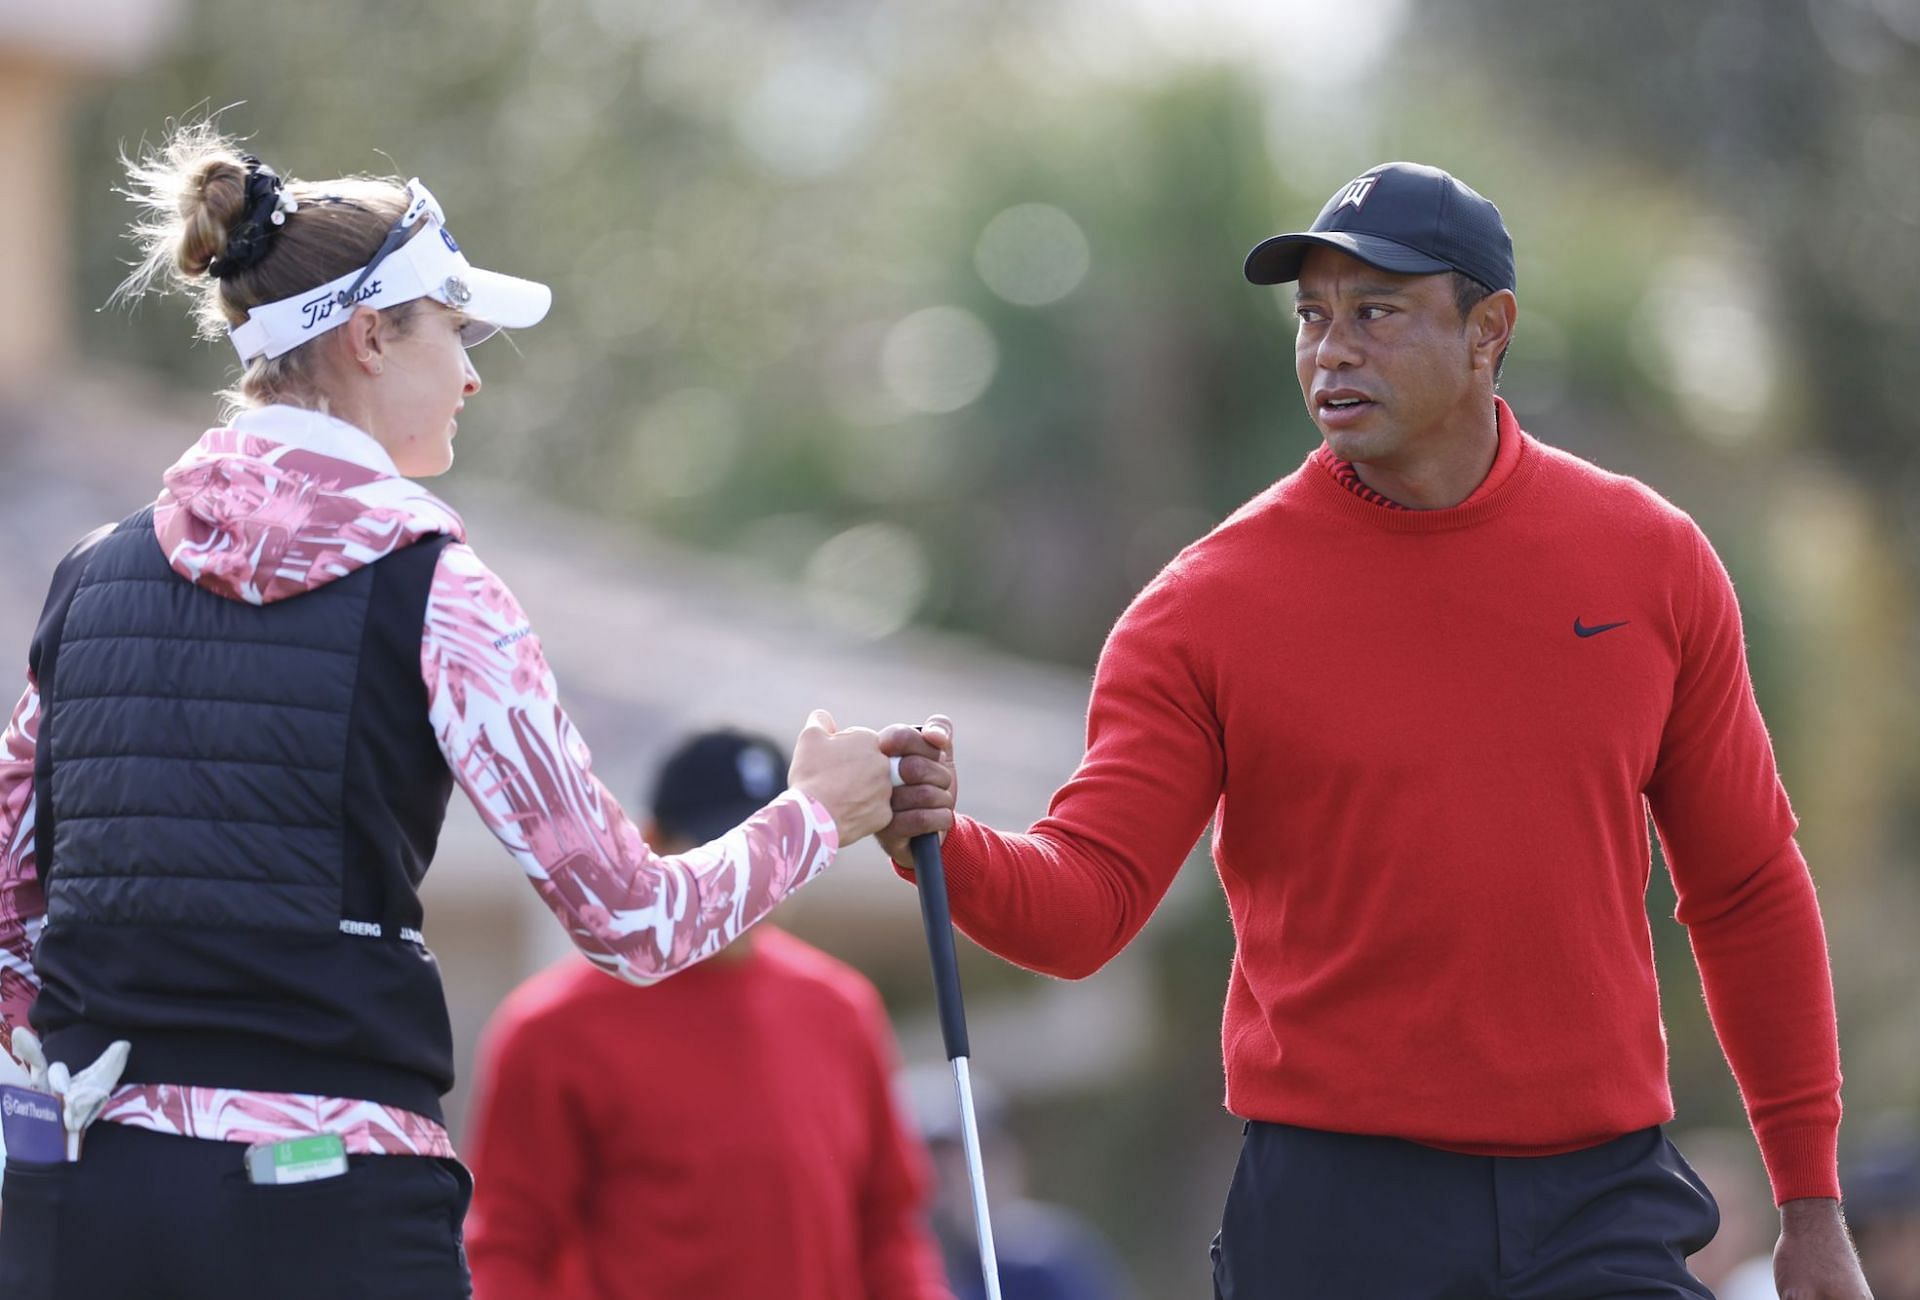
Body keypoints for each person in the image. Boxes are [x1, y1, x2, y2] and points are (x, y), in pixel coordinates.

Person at [875, 162, 1873, 1297]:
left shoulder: (1652, 559)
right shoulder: (1204, 607)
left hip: (1600, 1202)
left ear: (1488, 330)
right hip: (1339, 1217)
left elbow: (1747, 887)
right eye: (1312, 316)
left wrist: (1812, 1204)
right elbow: (1089, 903)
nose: (1330, 350)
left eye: (1375, 313)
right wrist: (945, 843)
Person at [0, 123, 896, 1299]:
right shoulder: (435, 585)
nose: (473, 373)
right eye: (457, 332)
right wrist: (816, 814)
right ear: (371, 336)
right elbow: (631, 921)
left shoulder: (92, 572)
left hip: (85, 1206)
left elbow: (14, 911)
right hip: (331, 1212)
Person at [462, 726, 953, 1300]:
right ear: (651, 842)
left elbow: (889, 1229)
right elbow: (509, 1252)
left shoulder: (842, 1009)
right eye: (727, 842)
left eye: (780, 839)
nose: (763, 871)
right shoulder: (550, 1030)